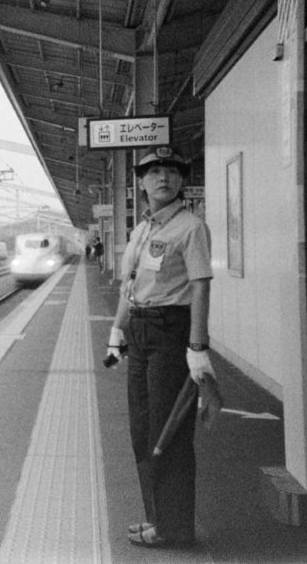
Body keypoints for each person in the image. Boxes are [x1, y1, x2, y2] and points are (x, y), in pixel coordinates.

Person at [105, 145, 215, 548]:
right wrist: (116, 332)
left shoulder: (191, 227)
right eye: (153, 171)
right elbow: (129, 285)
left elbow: (200, 286)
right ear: (141, 182)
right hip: (139, 330)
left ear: (182, 179)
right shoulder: (142, 230)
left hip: (171, 331)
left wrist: (197, 345)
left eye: (171, 170)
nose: (163, 177)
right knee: (142, 430)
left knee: (168, 432)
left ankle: (175, 528)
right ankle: (157, 518)